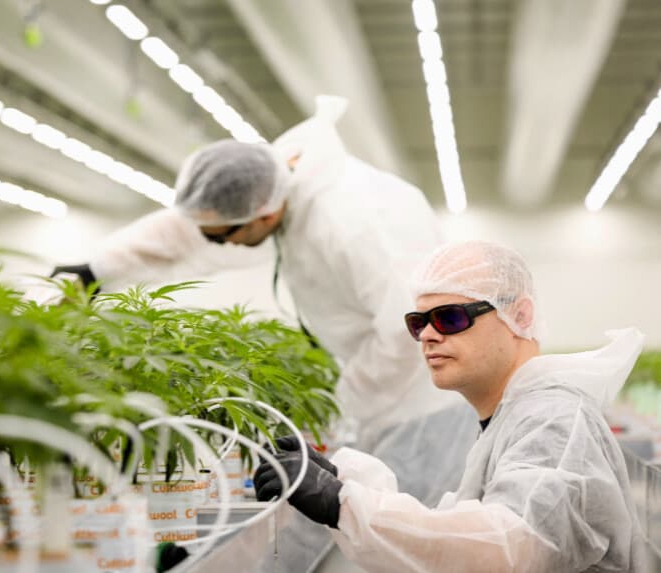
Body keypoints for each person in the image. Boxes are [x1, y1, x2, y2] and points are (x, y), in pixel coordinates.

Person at [52, 96, 478, 504]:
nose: (216, 243)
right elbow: (191, 225)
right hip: (373, 391)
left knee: (404, 533)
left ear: (266, 216)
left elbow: (408, 334)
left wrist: (338, 411)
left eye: (223, 237)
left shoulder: (356, 223)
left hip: (422, 405)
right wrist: (98, 267)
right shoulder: (274, 180)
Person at [253, 240, 648, 572]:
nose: (426, 335)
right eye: (417, 321)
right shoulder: (512, 416)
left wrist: (341, 504)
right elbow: (459, 528)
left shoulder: (553, 419)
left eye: (450, 317)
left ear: (520, 315)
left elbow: (507, 546)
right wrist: (345, 482)